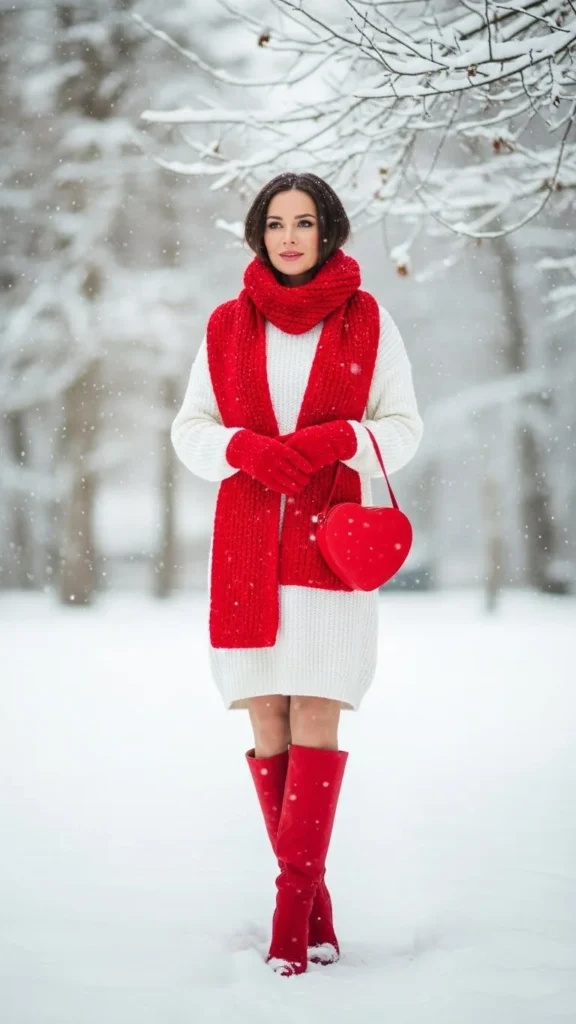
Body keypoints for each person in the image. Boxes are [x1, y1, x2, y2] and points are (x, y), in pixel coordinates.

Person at [171, 172, 424, 976]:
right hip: (248, 548)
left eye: (303, 222)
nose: (288, 236)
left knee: (317, 708)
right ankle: (315, 913)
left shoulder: (370, 321)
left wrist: (335, 440)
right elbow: (191, 429)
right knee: (267, 720)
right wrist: (244, 448)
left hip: (329, 547)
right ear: (258, 233)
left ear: (328, 232)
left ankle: (290, 916)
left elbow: (405, 428)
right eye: (275, 222)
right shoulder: (223, 325)